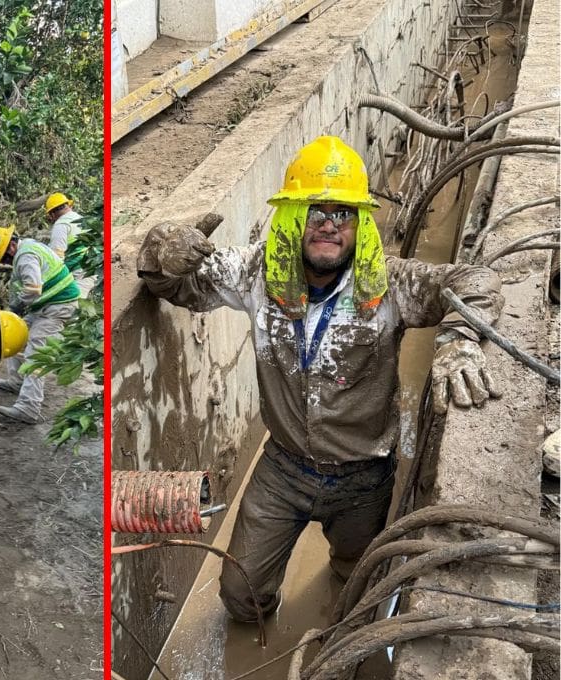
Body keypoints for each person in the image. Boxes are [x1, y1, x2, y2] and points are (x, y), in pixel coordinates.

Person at [136, 135, 504, 622]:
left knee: (356, 580)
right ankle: (262, 619)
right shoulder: (255, 273)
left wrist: (459, 339)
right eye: (316, 210)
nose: (330, 223)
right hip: (282, 470)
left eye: (343, 212)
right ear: (292, 215)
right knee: (241, 596)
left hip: (364, 475)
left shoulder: (390, 284)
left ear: (360, 223)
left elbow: (477, 282)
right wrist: (161, 250)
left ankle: (341, 592)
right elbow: (173, 284)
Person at [0, 224, 81, 424]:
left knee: (36, 352)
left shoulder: (25, 256)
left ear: (10, 247)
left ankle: (29, 406)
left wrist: (17, 305)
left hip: (58, 307)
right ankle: (17, 380)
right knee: (17, 337)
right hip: (46, 306)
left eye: (5, 259)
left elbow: (33, 288)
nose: (7, 263)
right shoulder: (29, 246)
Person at [44, 192, 96, 298]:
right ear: (69, 205)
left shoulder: (61, 225)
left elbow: (56, 258)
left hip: (80, 275)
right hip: (94, 270)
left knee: (78, 307)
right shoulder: (82, 219)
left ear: (52, 214)